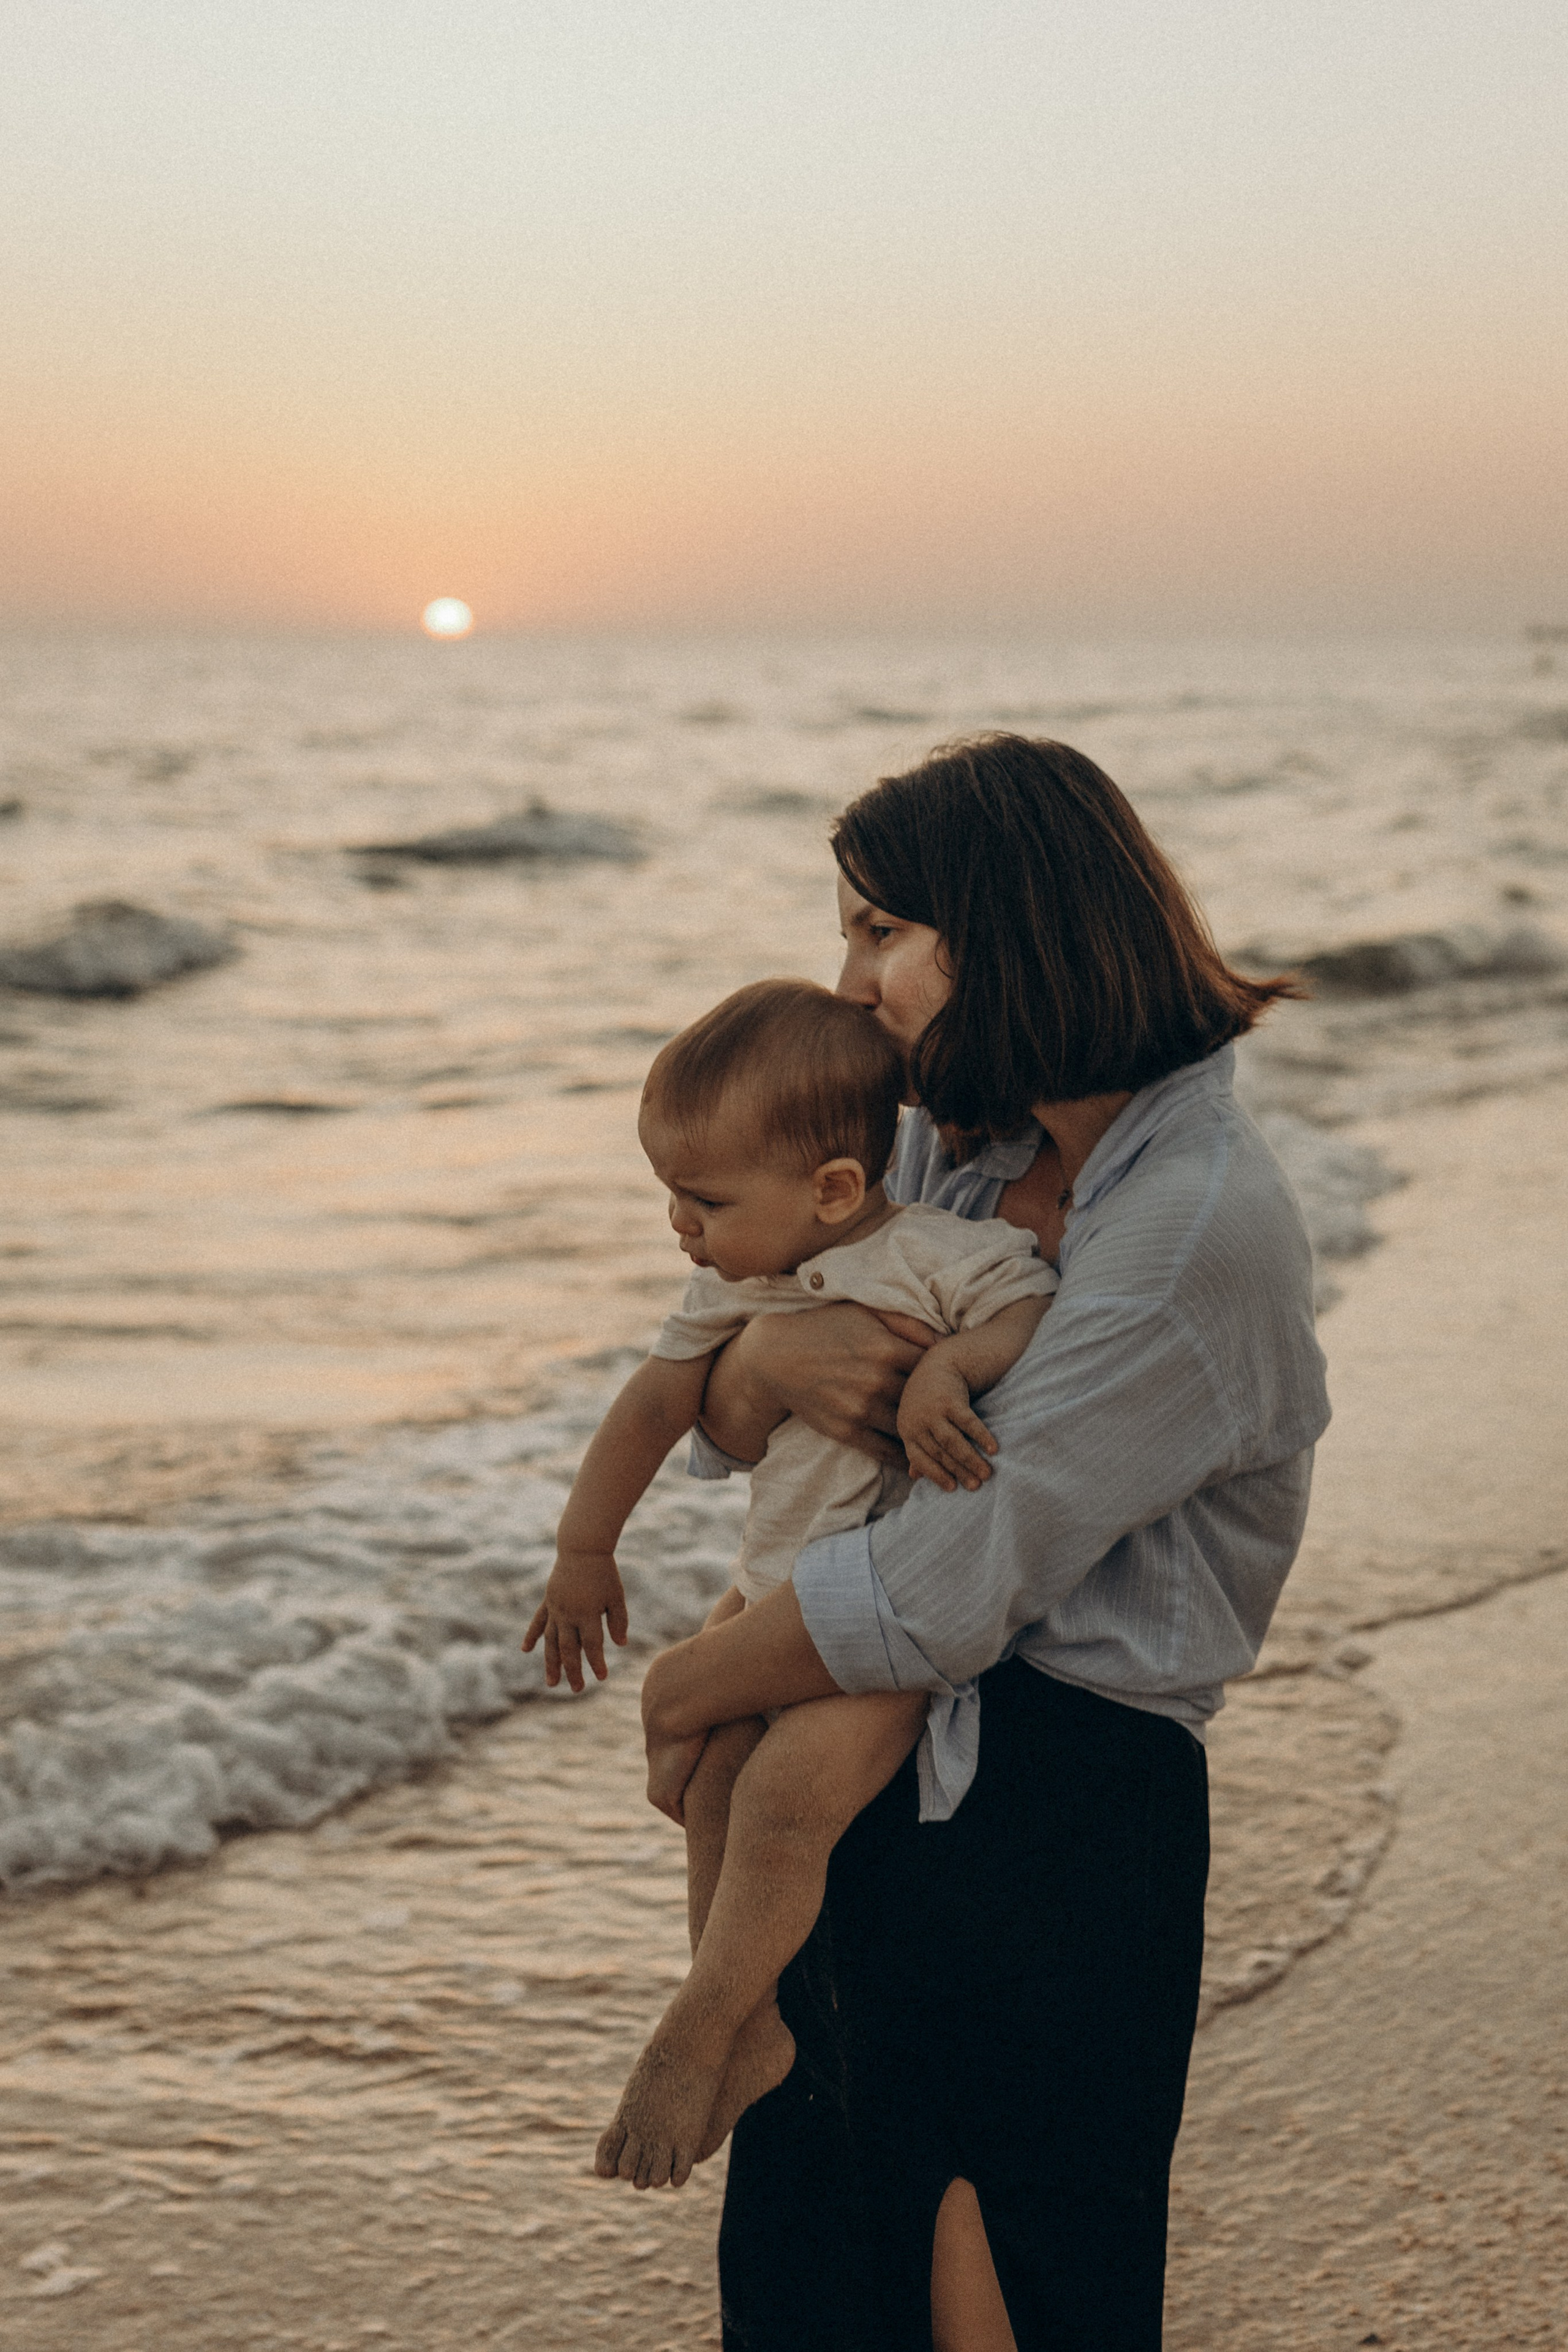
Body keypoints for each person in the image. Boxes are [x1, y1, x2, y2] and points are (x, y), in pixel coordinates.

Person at [632, 735, 1331, 2351]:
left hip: (1060, 1816)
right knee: (815, 2274)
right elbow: (742, 1396)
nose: (850, 978)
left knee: (1016, 2289)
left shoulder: (1187, 1229)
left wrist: (687, 1688)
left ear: (1003, 928)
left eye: (881, 931)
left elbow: (950, 1590)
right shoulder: (964, 1137)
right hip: (875, 1770)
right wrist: (762, 1366)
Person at [523, 978, 1057, 2192]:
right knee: (708, 1779)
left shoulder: (934, 1256)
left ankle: (696, 2027)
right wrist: (581, 1550)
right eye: (669, 1195)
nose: (677, 1225)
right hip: (770, 1594)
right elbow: (655, 1404)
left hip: (883, 1619)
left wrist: (947, 1376)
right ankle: (745, 2014)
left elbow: (1031, 1309)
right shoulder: (732, 1285)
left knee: (781, 1804)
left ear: (829, 1190)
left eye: (701, 1200)